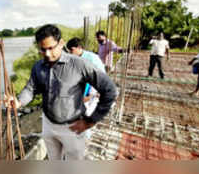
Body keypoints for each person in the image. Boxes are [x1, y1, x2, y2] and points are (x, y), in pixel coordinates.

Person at [7, 24, 117, 160]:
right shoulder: (38, 67)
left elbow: (109, 90)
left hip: (73, 127)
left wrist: (91, 120)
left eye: (50, 48)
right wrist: (18, 102)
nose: (47, 54)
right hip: (48, 124)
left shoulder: (79, 64)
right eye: (42, 49)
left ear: (61, 43)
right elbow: (31, 88)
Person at [66, 37, 107, 117]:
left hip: (95, 84)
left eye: (71, 50)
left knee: (88, 109)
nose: (70, 53)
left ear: (79, 48)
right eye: (69, 51)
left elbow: (101, 73)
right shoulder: (76, 58)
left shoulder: (91, 58)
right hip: (86, 83)